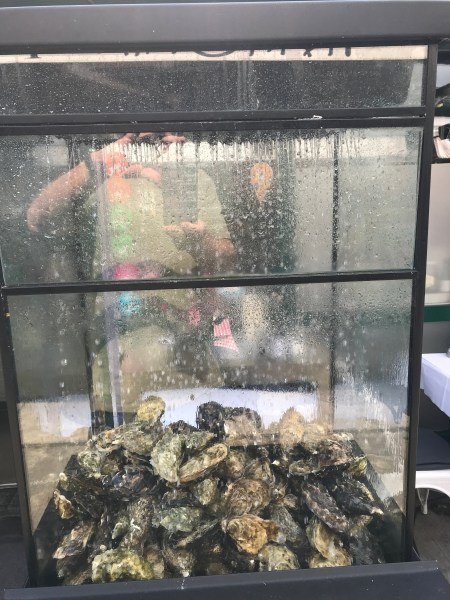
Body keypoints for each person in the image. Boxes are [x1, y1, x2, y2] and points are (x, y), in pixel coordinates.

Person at [27, 132, 235, 423]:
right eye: (146, 139)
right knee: (123, 432)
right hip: (118, 343)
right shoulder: (102, 175)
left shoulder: (193, 180)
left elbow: (226, 257)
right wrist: (95, 163)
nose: (164, 144)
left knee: (198, 433)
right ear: (126, 138)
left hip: (188, 345)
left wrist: (199, 239)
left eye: (171, 136)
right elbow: (38, 216)